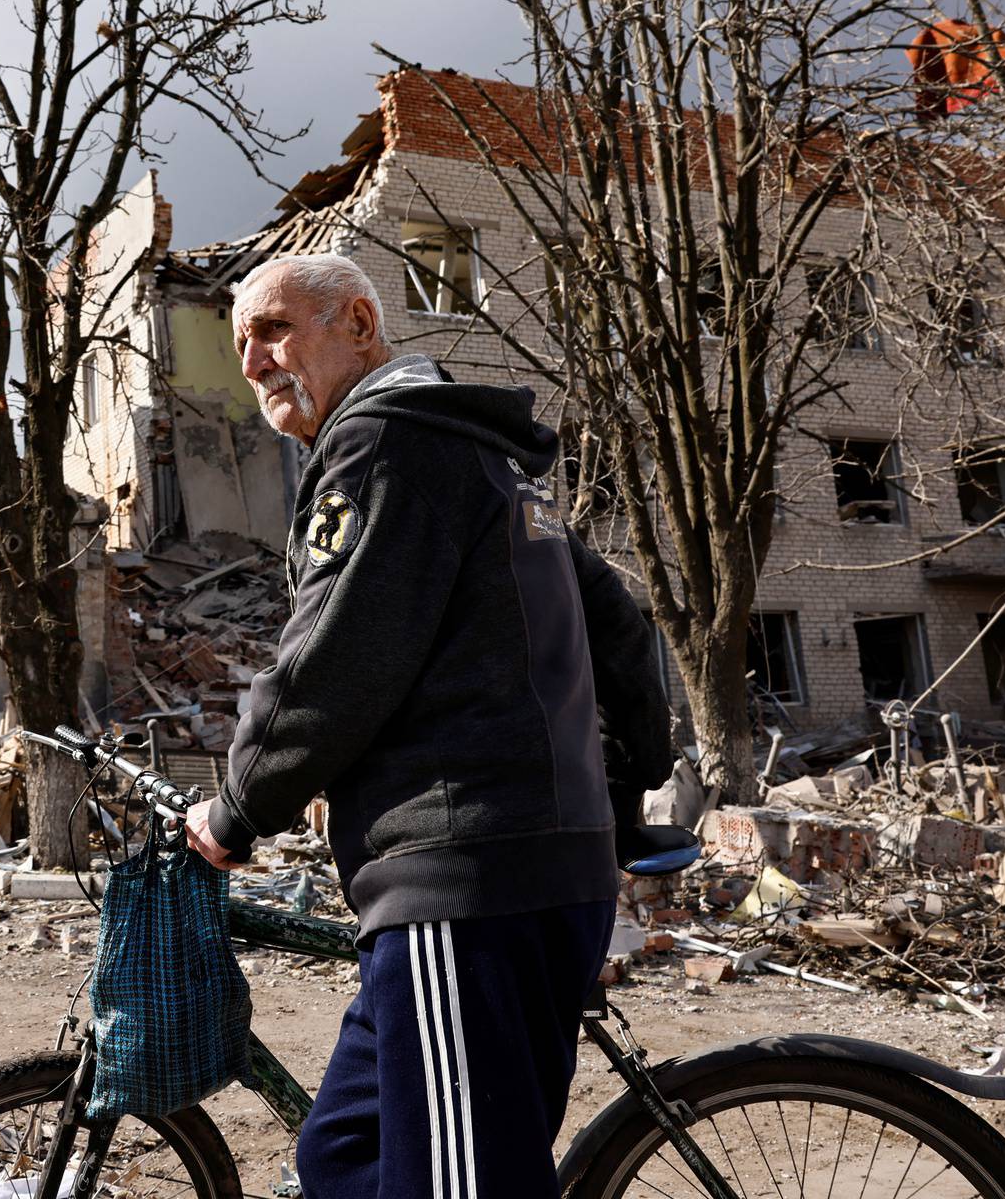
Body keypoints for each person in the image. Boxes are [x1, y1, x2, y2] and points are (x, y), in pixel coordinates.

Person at [182, 253, 672, 1198]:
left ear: (360, 324)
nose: (252, 362)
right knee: (349, 1158)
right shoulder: (477, 454)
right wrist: (621, 786)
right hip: (531, 869)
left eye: (274, 328)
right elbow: (621, 625)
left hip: (465, 884)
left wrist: (240, 807)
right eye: (239, 341)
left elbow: (333, 655)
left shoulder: (386, 444)